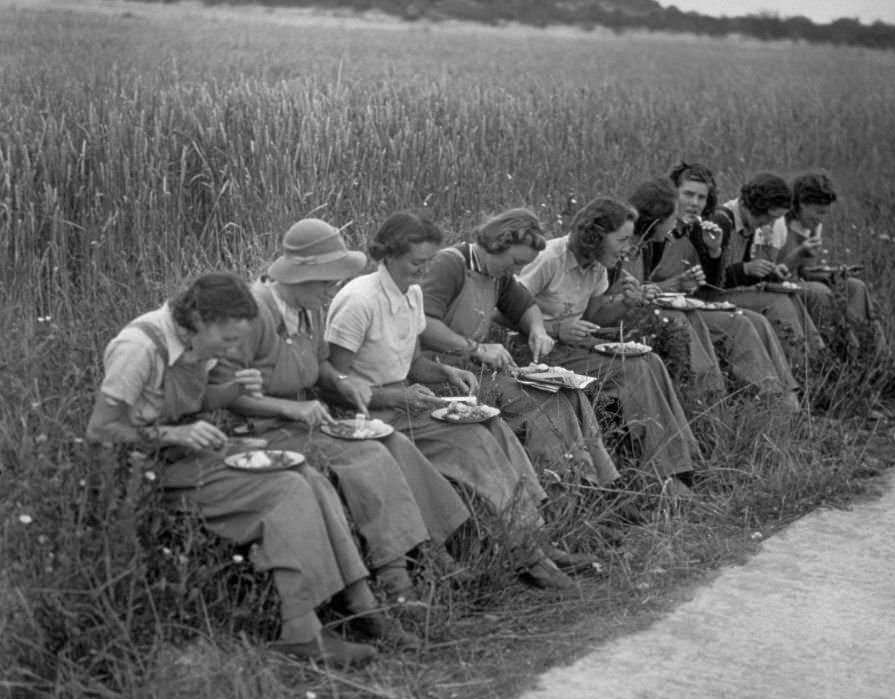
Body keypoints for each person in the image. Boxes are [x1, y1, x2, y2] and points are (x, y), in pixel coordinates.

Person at [86, 273, 390, 667]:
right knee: (286, 491)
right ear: (199, 319)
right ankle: (302, 631)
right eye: (228, 340)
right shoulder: (139, 347)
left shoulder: (195, 341)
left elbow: (198, 398)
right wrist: (176, 433)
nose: (232, 349)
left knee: (306, 475)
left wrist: (234, 391)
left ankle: (358, 598)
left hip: (191, 456)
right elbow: (100, 430)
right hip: (147, 473)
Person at [211, 219, 472, 608]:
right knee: (367, 458)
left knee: (391, 440)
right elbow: (227, 396)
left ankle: (433, 546)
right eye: (326, 281)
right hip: (262, 431)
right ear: (299, 276)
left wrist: (342, 382)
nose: (332, 289)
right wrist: (292, 407)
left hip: (309, 421)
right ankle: (394, 574)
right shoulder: (254, 314)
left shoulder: (310, 309)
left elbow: (319, 367)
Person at [324, 210, 581, 591]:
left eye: (429, 262)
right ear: (387, 255)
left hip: (403, 404)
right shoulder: (359, 300)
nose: (424, 271)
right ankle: (524, 552)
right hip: (367, 414)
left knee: (490, 423)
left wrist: (445, 374)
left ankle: (532, 537)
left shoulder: (410, 294)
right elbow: (333, 386)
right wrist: (398, 395)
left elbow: (413, 364)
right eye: (417, 262)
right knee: (473, 440)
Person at [418, 208, 619, 485]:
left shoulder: (498, 274)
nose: (517, 271)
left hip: (471, 375)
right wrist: (476, 348)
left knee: (568, 394)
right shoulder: (451, 265)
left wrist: (537, 330)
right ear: (497, 243)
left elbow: (524, 304)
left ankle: (594, 481)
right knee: (547, 401)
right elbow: (424, 325)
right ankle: (559, 488)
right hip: (438, 378)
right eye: (515, 262)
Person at [516, 196, 701, 492]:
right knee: (635, 370)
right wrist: (556, 328)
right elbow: (504, 310)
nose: (628, 247)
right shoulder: (550, 259)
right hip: (534, 353)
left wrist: (628, 303)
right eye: (622, 239)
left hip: (572, 350)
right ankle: (664, 473)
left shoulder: (598, 267)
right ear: (596, 235)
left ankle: (677, 463)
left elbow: (594, 317)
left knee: (649, 361)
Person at [655, 161, 800, 407]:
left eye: (701, 197)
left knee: (752, 320)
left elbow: (712, 288)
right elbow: (643, 283)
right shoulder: (657, 228)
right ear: (673, 194)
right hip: (661, 307)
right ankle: (737, 402)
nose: (694, 203)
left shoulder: (698, 229)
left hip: (689, 303)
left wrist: (713, 253)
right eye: (688, 194)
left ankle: (783, 393)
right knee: (740, 322)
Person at [609, 178, 726, 403]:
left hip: (632, 310)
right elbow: (605, 295)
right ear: (657, 221)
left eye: (701, 197)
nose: (673, 225)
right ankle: (696, 394)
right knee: (674, 319)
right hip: (613, 321)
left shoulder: (646, 245)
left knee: (690, 316)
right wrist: (665, 287)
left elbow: (641, 286)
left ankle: (711, 390)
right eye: (671, 219)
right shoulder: (621, 246)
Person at [704, 172, 825, 363]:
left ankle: (817, 360)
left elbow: (740, 273)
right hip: (710, 296)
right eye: (768, 218)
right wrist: (745, 270)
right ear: (753, 205)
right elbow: (710, 280)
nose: (768, 224)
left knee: (790, 297)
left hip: (728, 292)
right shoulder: (723, 221)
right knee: (776, 303)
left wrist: (766, 272)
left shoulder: (747, 224)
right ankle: (799, 366)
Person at [762, 170, 887, 355]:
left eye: (825, 213)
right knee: (821, 292)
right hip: (782, 285)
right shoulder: (780, 224)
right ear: (802, 204)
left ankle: (873, 351)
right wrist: (799, 253)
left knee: (855, 286)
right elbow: (772, 271)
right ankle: (841, 351)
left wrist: (833, 273)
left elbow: (805, 271)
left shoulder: (813, 227)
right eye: (818, 212)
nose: (821, 219)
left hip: (802, 281)